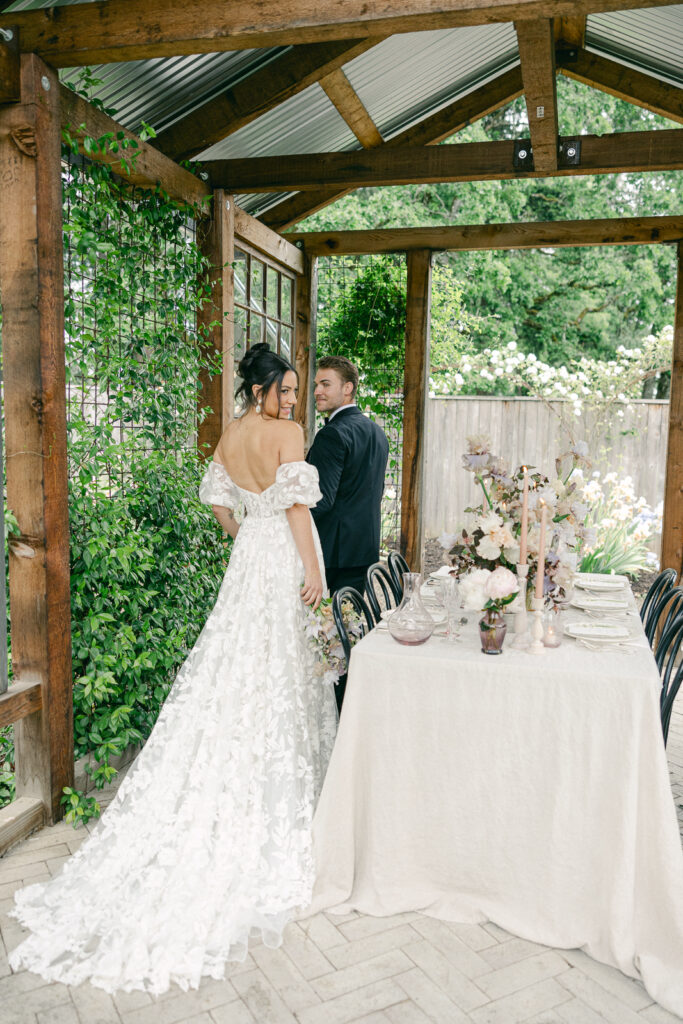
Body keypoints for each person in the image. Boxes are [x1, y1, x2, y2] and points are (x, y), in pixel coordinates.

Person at [9, 343, 337, 995]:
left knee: (235, 668)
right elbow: (299, 510)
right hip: (280, 562)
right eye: (286, 392)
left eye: (298, 394)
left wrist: (244, 529)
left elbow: (215, 499)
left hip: (248, 559)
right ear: (261, 390)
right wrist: (313, 573)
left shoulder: (235, 434)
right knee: (271, 669)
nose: (294, 402)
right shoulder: (286, 434)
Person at [306, 356, 389, 598]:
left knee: (320, 627)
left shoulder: (331, 435)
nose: (317, 391)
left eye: (325, 384)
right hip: (364, 548)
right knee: (347, 626)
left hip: (332, 552)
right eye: (316, 385)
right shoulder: (376, 432)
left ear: (348, 388)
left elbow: (320, 500)